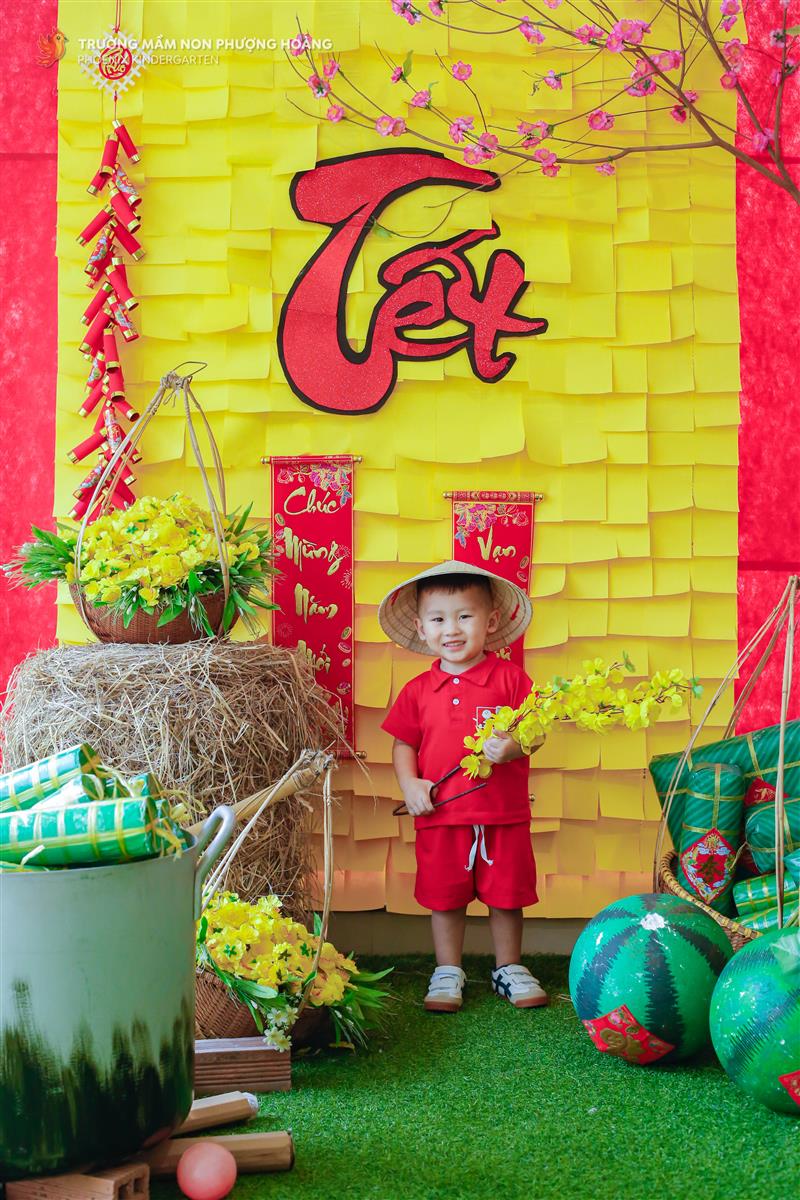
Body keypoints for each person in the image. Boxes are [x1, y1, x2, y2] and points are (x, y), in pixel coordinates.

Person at [379, 560, 547, 1013]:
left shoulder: (511, 679)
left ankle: (508, 966)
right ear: (421, 628)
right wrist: (410, 784)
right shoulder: (417, 690)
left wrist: (514, 746)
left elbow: (536, 731)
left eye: (465, 617)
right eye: (438, 619)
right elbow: (403, 744)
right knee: (445, 896)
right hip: (441, 814)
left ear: (491, 621)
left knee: (507, 895)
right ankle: (448, 968)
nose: (451, 629)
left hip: (502, 813)